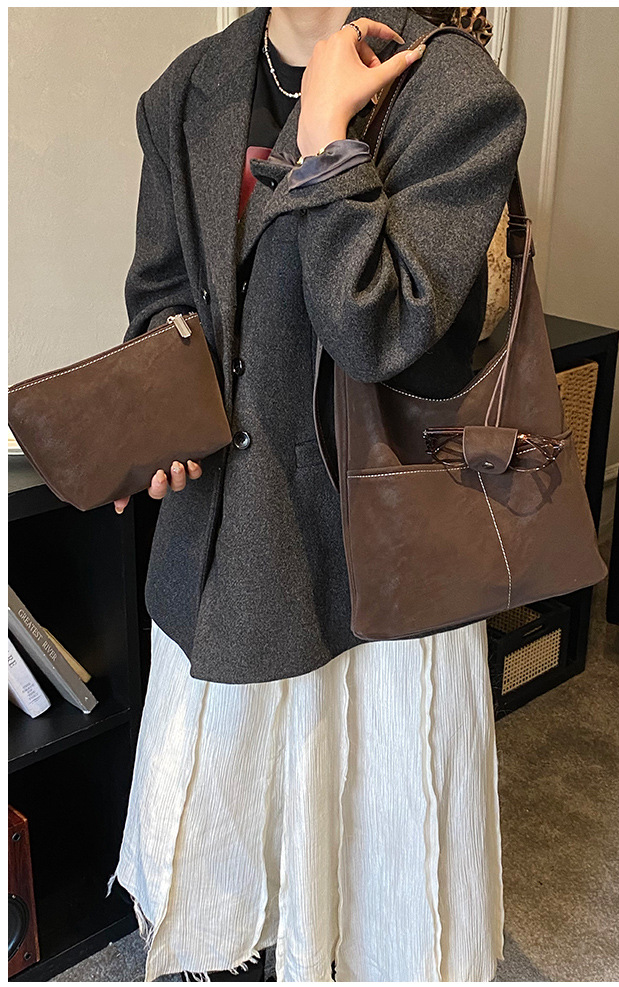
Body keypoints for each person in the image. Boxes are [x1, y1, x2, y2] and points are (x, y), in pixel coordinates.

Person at [107, 6, 526, 982]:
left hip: (377, 560)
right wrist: (156, 417)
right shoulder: (187, 88)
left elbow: (384, 332)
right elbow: (162, 295)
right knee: (223, 860)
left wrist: (329, 141)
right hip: (229, 543)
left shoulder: (454, 91)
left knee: (375, 869)